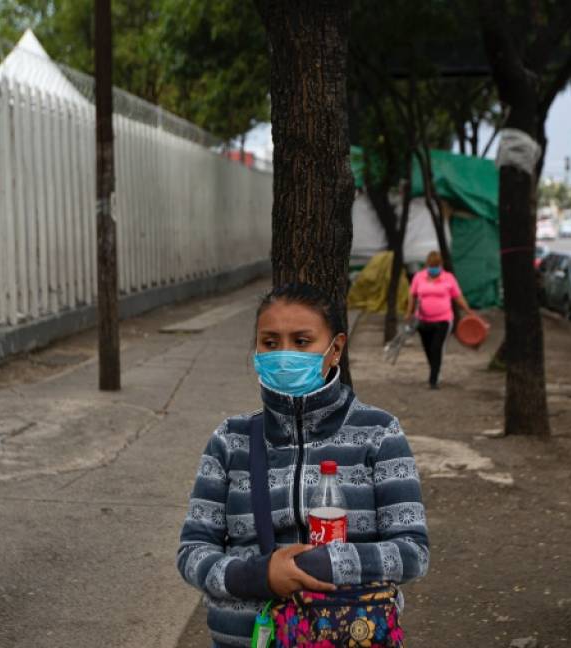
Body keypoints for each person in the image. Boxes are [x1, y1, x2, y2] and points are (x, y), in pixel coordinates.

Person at [177, 283, 430, 648]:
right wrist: (261, 575)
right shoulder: (229, 440)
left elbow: (411, 552)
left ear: (335, 349)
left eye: (301, 341)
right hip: (245, 639)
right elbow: (193, 552)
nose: (284, 355)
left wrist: (317, 565)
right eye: (270, 342)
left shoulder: (379, 434)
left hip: (348, 635)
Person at [404, 251, 474, 389]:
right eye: (431, 266)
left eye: (436, 266)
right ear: (427, 265)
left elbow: (458, 297)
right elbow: (412, 295)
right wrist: (409, 312)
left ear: (441, 265)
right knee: (428, 348)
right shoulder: (419, 277)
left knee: (436, 348)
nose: (433, 268)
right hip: (422, 320)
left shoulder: (449, 278)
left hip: (443, 320)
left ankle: (433, 380)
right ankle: (435, 370)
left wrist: (469, 311)